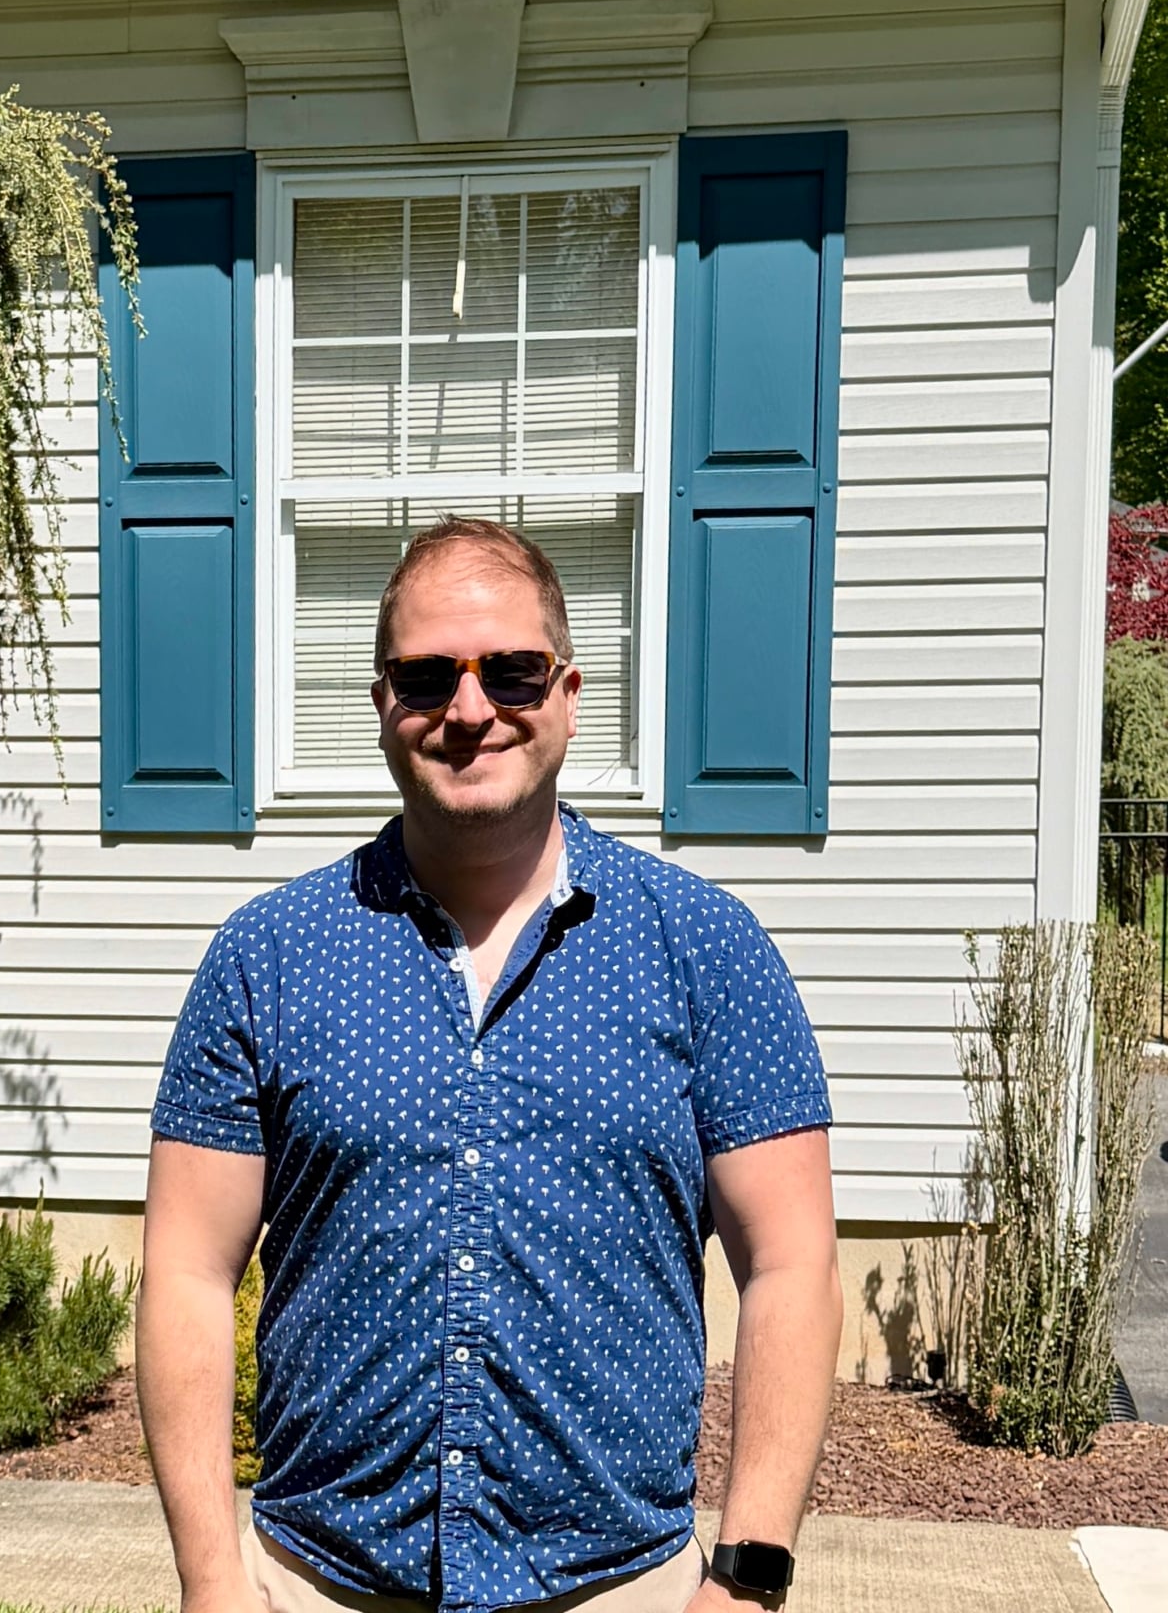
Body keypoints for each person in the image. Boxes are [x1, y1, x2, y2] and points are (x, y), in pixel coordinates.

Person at [137, 516, 838, 1613]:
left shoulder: (705, 950)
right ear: (381, 701)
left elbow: (791, 1267)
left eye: (508, 670)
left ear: (564, 690)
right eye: (427, 676)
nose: (469, 710)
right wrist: (209, 1578)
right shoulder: (265, 958)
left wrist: (745, 1581)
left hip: (622, 1588)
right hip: (314, 1583)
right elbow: (185, 1270)